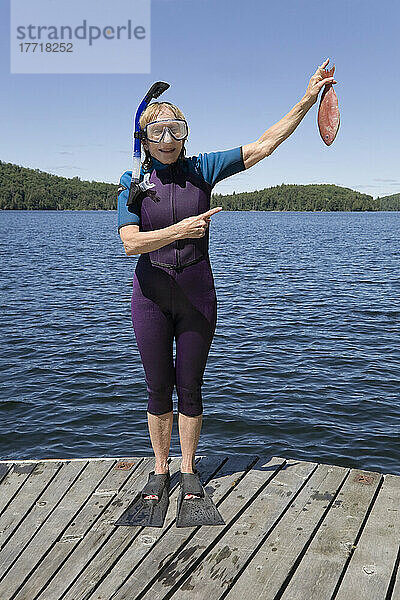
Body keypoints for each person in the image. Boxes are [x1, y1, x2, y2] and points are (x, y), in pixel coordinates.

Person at [116, 59, 337, 527]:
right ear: (145, 140)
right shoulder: (132, 184)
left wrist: (307, 97)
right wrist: (181, 229)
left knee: (190, 388)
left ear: (186, 134)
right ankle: (159, 471)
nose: (167, 140)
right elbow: (129, 243)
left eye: (175, 130)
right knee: (158, 387)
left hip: (197, 292)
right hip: (151, 295)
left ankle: (189, 470)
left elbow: (265, 144)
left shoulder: (203, 169)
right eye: (157, 132)